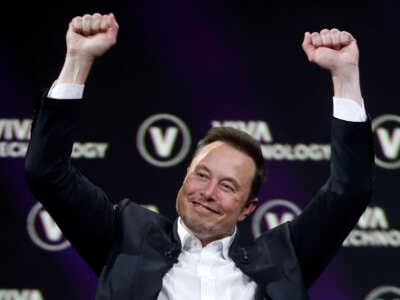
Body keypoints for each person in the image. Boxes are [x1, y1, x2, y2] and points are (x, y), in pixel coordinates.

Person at [24, 12, 373, 300]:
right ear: (185, 175)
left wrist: (345, 76)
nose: (208, 192)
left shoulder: (285, 258)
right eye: (202, 175)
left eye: (228, 186)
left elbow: (349, 191)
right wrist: (77, 60)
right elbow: (46, 172)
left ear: (249, 206)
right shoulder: (123, 235)